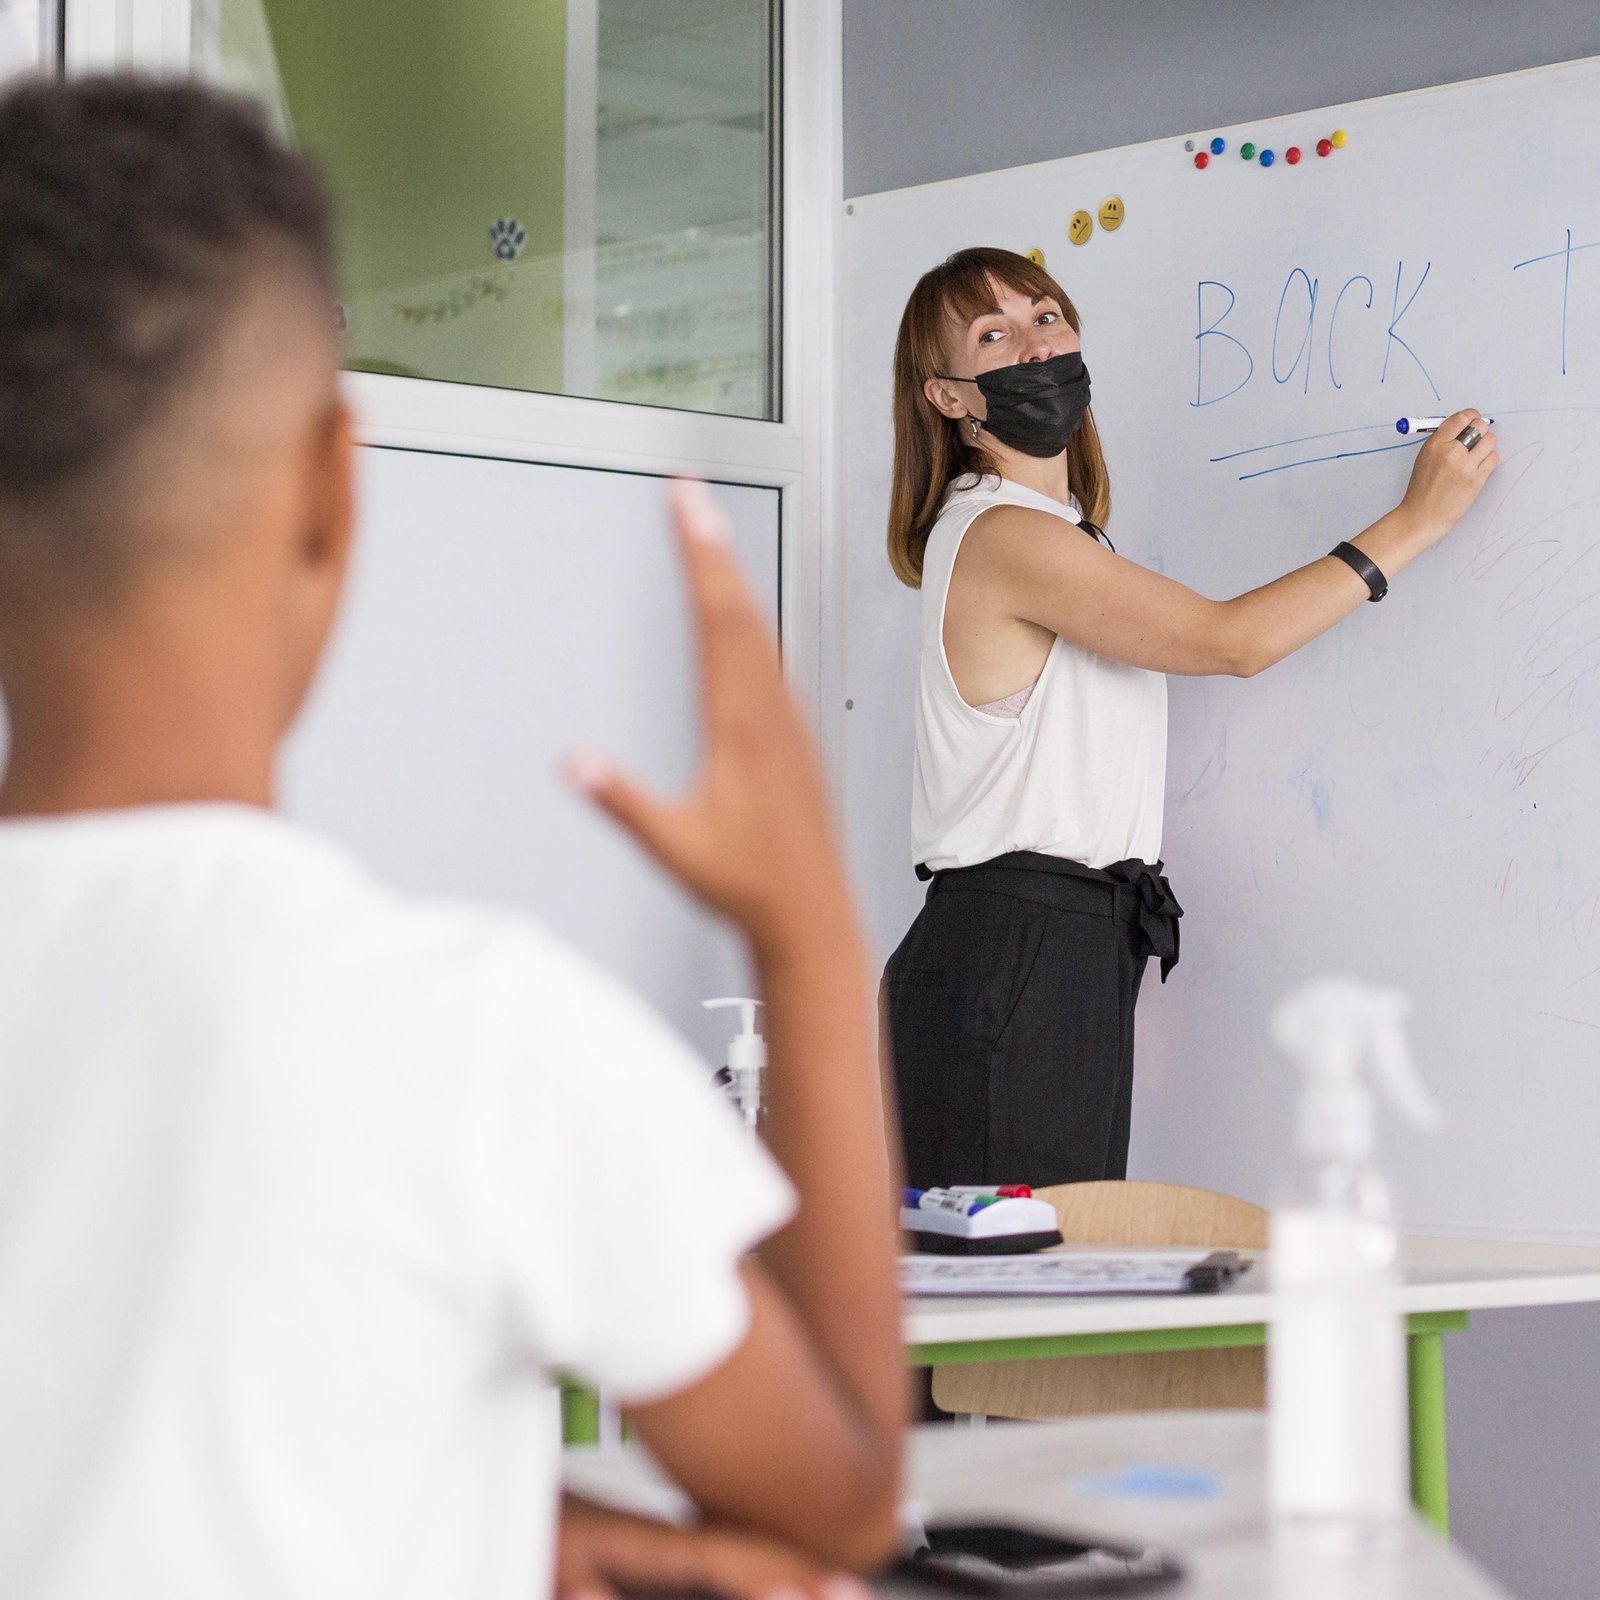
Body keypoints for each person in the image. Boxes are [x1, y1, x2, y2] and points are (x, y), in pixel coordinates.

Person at [0, 78, 905, 1598]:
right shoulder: (466, 1031)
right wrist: (806, 924)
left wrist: (518, 1525)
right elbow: (844, 1493)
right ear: (328, 492)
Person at [882, 246, 1496, 1191]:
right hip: (1015, 951)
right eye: (992, 336)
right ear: (948, 397)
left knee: (1063, 1269)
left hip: (1062, 950)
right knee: (1020, 1277)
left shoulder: (1063, 535)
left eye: (1046, 317)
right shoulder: (1004, 536)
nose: (1035, 347)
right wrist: (1418, 522)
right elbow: (1231, 641)